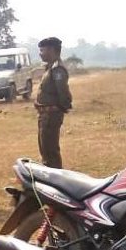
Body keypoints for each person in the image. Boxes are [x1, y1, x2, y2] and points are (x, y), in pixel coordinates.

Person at [34, 37, 72, 168]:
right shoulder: (49, 68)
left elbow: (63, 94)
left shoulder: (57, 70)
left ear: (51, 50)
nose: (40, 53)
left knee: (50, 152)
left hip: (51, 116)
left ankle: (55, 180)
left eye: (42, 50)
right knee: (45, 150)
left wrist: (57, 108)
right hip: (45, 116)